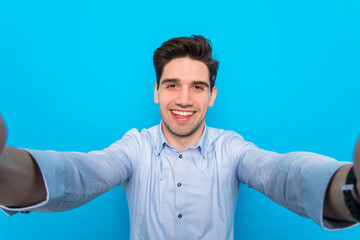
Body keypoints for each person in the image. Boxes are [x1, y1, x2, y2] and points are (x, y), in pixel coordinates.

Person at [0, 35, 359, 239]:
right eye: (173, 85)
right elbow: (81, 173)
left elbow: (283, 173)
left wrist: (353, 187)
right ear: (156, 91)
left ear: (212, 96)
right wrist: (6, 169)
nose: (185, 100)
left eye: (197, 87)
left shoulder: (231, 148)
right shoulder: (134, 147)